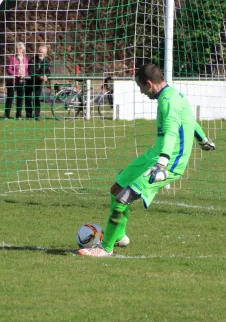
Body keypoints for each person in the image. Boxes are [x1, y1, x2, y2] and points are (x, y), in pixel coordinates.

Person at [78, 63, 216, 257]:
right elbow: (190, 120)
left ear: (149, 83)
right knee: (116, 188)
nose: (142, 93)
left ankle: (105, 248)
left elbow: (170, 132)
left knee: (122, 198)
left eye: (141, 88)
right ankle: (119, 235)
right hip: (154, 155)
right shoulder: (175, 95)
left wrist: (162, 163)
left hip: (168, 162)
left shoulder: (168, 102)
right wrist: (203, 140)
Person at [25, 45, 51, 120]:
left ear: (45, 53)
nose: (41, 54)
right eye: (40, 52)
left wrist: (46, 76)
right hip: (30, 82)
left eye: (43, 52)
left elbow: (49, 71)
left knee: (37, 98)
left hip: (38, 83)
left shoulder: (46, 61)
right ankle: (28, 115)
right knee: (28, 98)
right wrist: (40, 76)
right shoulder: (32, 60)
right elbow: (31, 72)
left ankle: (36, 116)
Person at [4, 42, 29, 119]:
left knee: (20, 98)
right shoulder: (12, 58)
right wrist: (16, 74)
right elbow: (9, 69)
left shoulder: (26, 59)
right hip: (12, 81)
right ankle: (6, 115)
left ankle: (18, 115)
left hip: (22, 81)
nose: (18, 49)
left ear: (23, 50)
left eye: (20, 48)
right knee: (10, 98)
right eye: (17, 48)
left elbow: (27, 70)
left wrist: (25, 75)